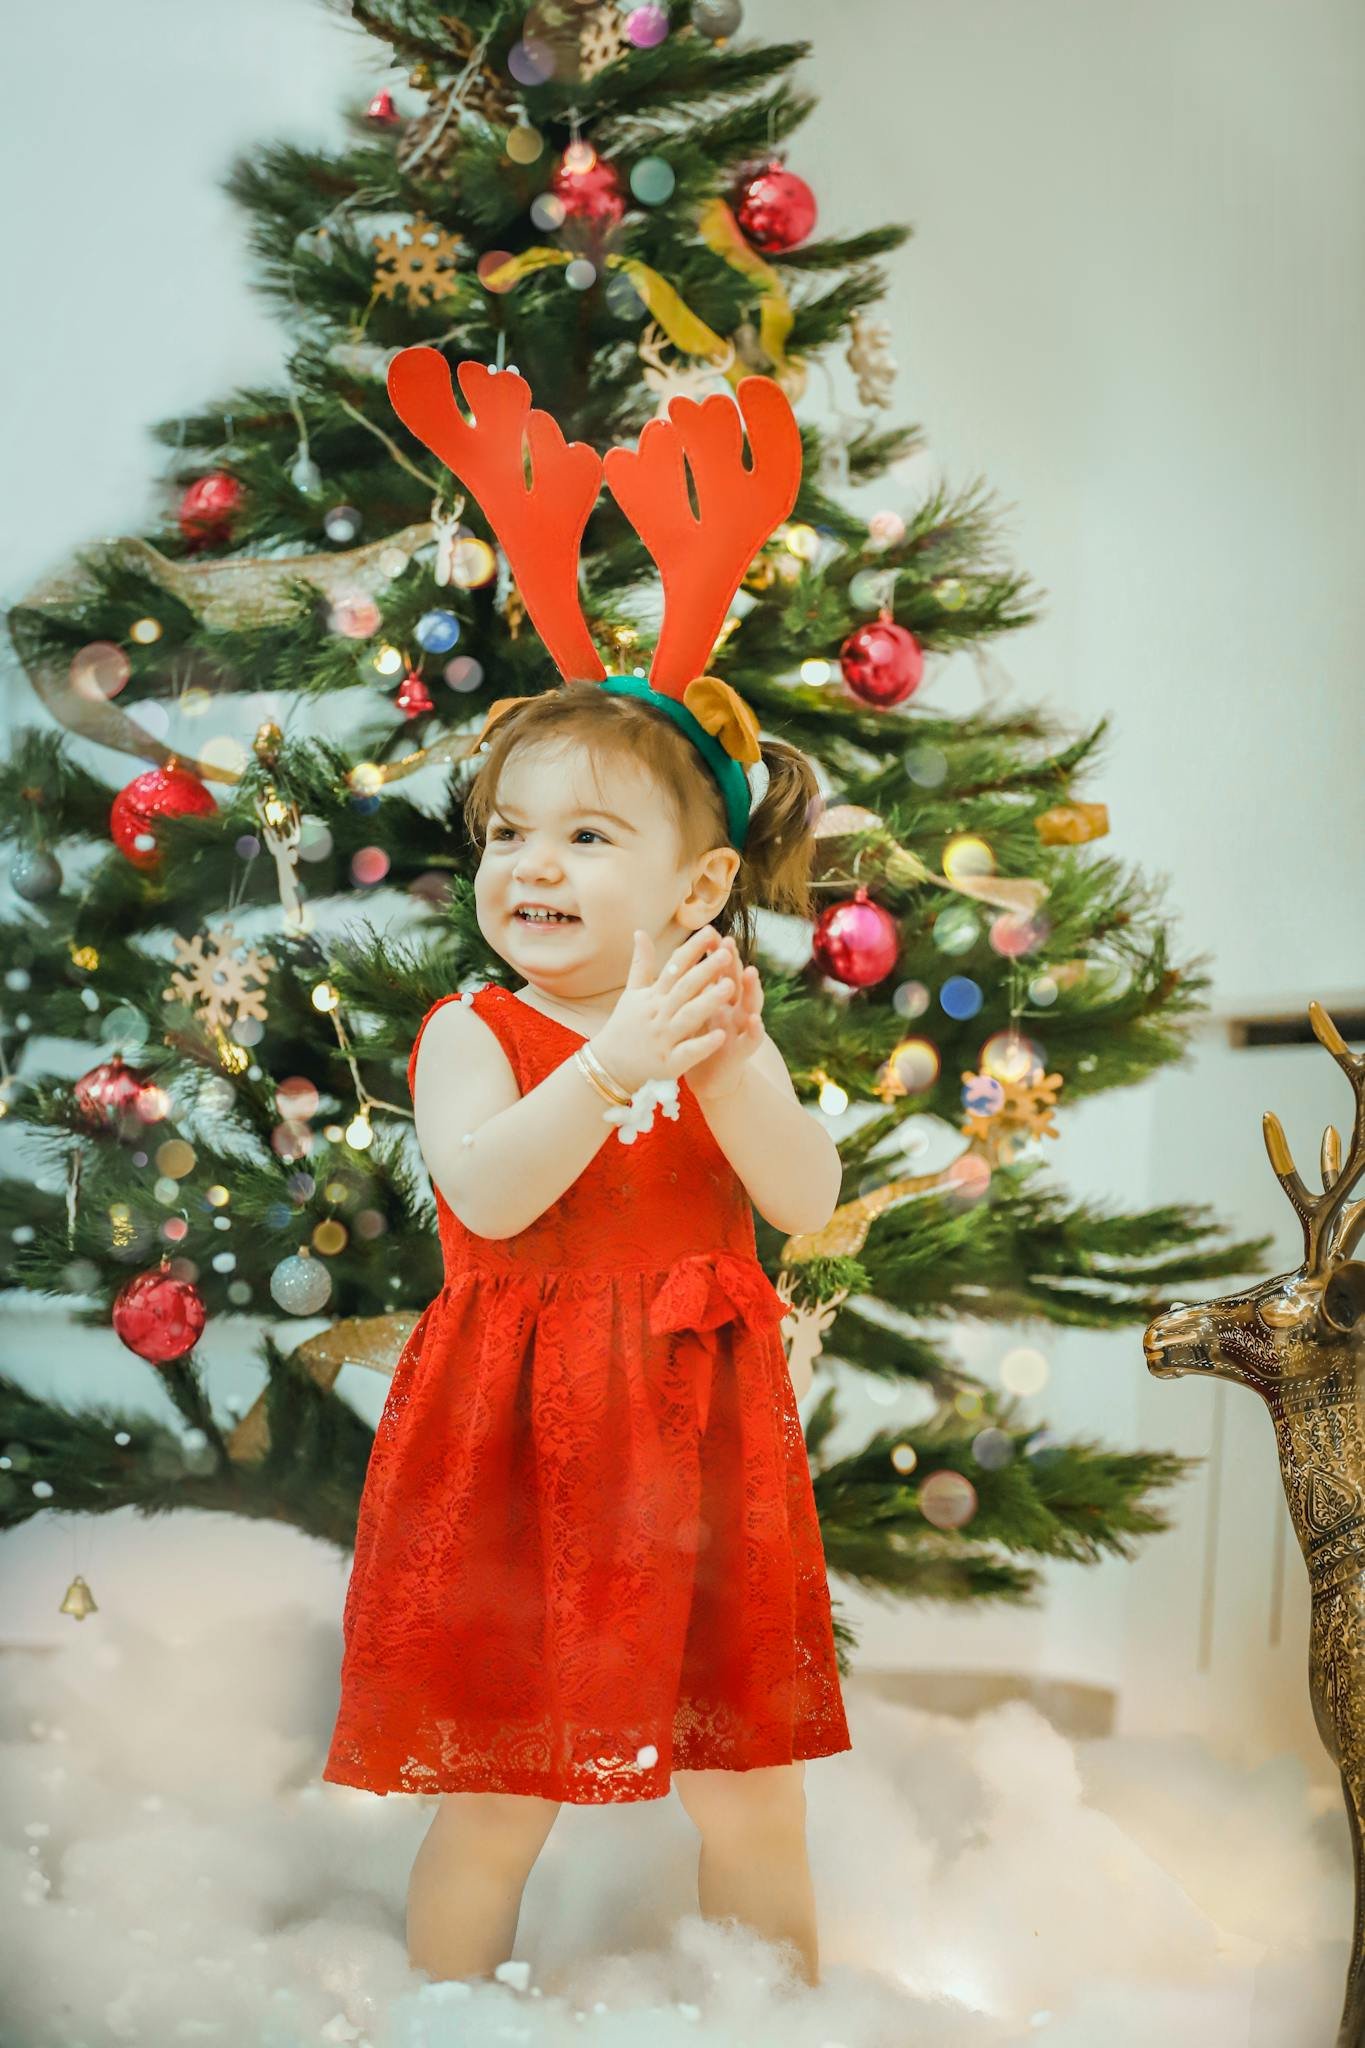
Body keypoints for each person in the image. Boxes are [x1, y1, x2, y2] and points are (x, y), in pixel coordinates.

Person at [321, 354, 853, 1994]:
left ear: (697, 888)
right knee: (493, 1790)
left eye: (585, 838)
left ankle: (785, 2020)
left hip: (693, 1448)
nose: (531, 865)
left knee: (752, 1788)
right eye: (506, 834)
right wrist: (614, 1060)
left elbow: (801, 1201)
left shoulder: (706, 1021)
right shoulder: (476, 1028)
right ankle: (441, 2018)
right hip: (517, 1444)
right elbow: (484, 1196)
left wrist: (730, 1062)